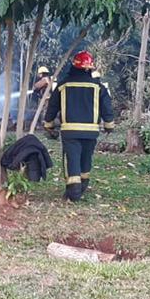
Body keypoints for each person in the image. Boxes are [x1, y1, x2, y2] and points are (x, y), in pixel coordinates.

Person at [44, 51, 115, 202]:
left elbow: (52, 106)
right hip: (91, 132)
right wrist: (109, 126)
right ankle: (82, 186)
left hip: (70, 131)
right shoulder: (98, 87)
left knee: (72, 159)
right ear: (90, 69)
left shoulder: (63, 85)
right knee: (86, 158)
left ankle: (74, 192)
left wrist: (49, 124)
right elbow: (107, 108)